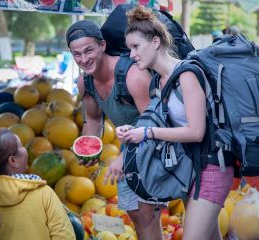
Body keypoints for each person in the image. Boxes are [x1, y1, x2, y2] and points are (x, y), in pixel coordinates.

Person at [116, 5, 234, 240]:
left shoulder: (187, 74)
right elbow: (163, 123)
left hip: (211, 167)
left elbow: (196, 131)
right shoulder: (159, 81)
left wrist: (148, 133)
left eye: (136, 46)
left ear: (156, 42)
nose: (131, 54)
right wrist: (136, 130)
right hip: (190, 169)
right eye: (129, 48)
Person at [66, 20, 164, 240]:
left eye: (89, 50)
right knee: (136, 213)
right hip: (127, 148)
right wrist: (88, 146)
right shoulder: (85, 82)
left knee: (147, 215)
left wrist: (123, 157)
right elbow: (92, 118)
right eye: (77, 54)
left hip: (153, 144)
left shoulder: (133, 77)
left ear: (102, 45)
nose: (84, 59)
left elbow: (154, 121)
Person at [0, 128, 75, 240]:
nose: (26, 149)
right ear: (13, 161)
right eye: (21, 146)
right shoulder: (44, 193)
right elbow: (64, 236)